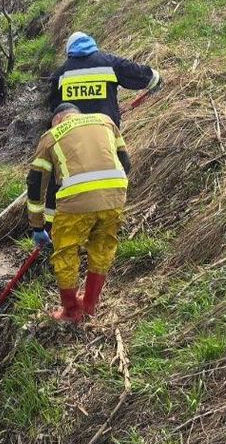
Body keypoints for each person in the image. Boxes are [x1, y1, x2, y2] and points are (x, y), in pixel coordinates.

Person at [27, 103, 131, 323]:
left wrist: (37, 225)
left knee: (66, 252)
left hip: (75, 202)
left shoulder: (51, 135)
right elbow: (125, 162)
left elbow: (36, 183)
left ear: (57, 120)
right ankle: (90, 304)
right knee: (102, 246)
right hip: (114, 195)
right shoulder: (106, 121)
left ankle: (71, 311)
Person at [48, 32, 161, 128]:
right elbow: (138, 74)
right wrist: (155, 77)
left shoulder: (61, 74)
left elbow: (55, 108)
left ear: (69, 50)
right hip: (106, 130)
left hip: (74, 134)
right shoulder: (109, 63)